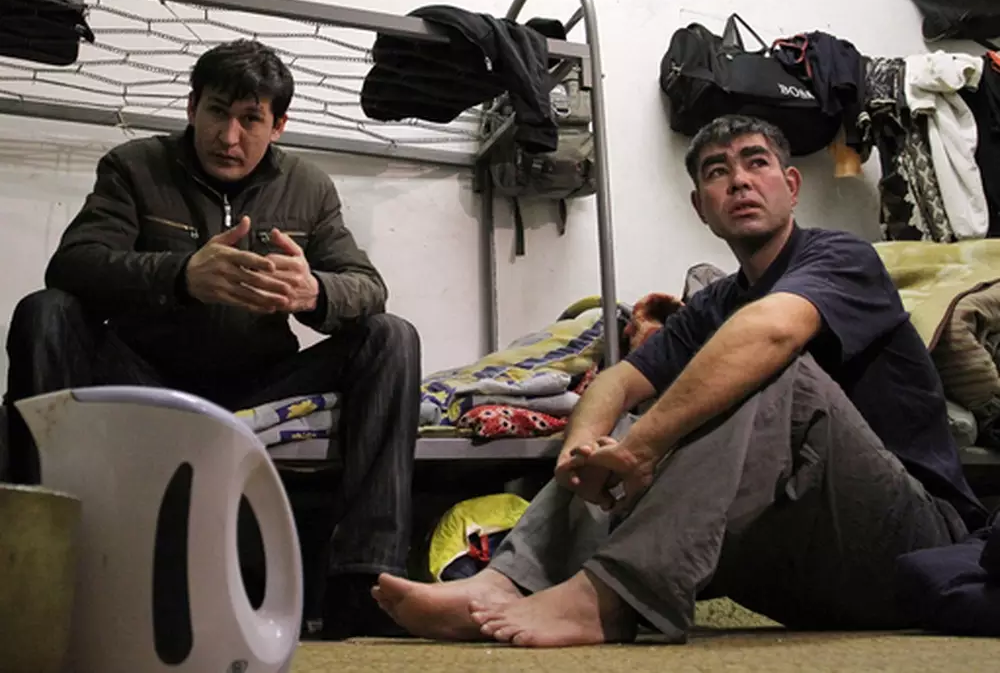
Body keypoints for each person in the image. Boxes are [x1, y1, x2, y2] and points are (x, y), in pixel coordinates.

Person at [371, 114, 988, 647]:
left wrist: (643, 450)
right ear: (701, 206)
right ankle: (506, 581)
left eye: (756, 162)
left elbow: (773, 333)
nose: (739, 180)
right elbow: (616, 382)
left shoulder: (842, 258)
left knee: (764, 373)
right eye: (718, 171)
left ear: (791, 186)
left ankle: (608, 597)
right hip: (796, 571)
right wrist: (583, 454)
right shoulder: (713, 304)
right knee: (620, 422)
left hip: (909, 547)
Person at [2, 39, 420, 638]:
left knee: (392, 336)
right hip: (145, 380)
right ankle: (41, 555)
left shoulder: (309, 187)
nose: (229, 137)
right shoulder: (134, 166)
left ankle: (363, 584)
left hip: (259, 385)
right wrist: (180, 276)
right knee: (45, 312)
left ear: (278, 126)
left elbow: (368, 287)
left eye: (251, 120)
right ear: (192, 106)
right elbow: (73, 265)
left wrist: (314, 292)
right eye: (217, 112)